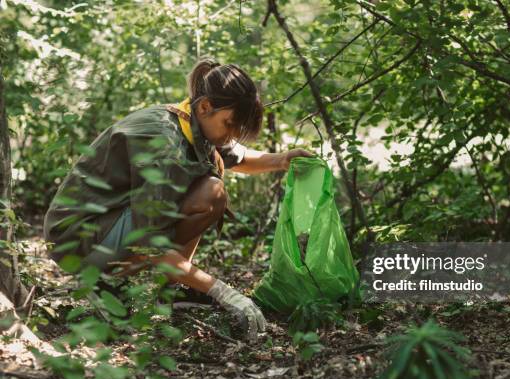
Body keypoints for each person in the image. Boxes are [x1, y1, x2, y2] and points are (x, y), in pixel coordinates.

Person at [43, 58, 313, 341]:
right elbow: (150, 247)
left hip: (108, 220)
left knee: (212, 192)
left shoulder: (195, 121)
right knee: (208, 192)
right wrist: (220, 289)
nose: (231, 135)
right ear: (205, 106)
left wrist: (283, 160)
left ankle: (170, 290)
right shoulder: (165, 145)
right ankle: (106, 280)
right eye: (230, 125)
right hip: (74, 237)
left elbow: (241, 156)